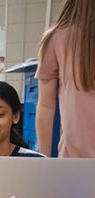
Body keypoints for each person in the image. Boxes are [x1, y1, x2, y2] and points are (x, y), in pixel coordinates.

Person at [36, 0, 95, 157]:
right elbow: (46, 106)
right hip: (76, 159)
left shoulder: (57, 37)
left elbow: (46, 107)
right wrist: (43, 159)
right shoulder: (57, 38)